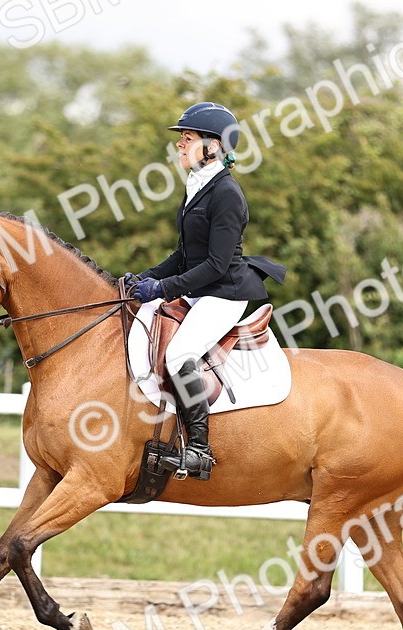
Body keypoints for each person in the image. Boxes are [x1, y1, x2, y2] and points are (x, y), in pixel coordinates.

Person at [126, 101, 286, 480]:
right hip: (201, 287)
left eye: (188, 138)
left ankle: (199, 449)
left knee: (180, 353)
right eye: (181, 139)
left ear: (213, 146)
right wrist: (144, 278)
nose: (180, 145)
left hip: (224, 292)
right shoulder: (197, 186)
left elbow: (215, 264)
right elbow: (184, 254)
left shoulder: (226, 193)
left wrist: (163, 287)